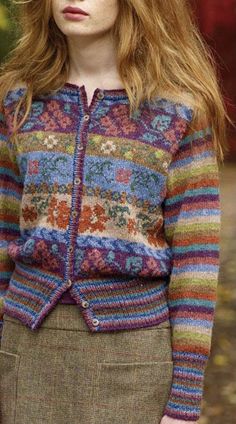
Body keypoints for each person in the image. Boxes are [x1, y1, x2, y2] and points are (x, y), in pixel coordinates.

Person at [0, 1, 231, 423]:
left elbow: (196, 263)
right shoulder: (17, 100)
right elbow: (3, 234)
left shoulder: (178, 110)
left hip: (134, 360)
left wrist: (184, 400)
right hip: (23, 351)